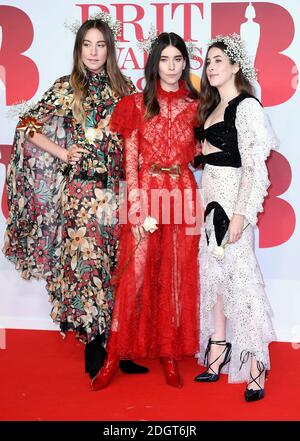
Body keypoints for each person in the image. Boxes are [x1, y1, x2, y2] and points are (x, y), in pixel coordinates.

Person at [3, 16, 148, 381]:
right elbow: (28, 126)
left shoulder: (124, 88)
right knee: (88, 266)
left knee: (119, 266)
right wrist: (62, 152)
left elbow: (137, 138)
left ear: (110, 50)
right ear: (78, 49)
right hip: (81, 193)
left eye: (101, 45)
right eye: (88, 45)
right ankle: (95, 343)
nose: (94, 52)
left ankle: (120, 345)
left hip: (116, 191)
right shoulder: (66, 88)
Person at [91, 32, 201, 391]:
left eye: (178, 59)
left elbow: (207, 153)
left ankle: (169, 354)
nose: (172, 67)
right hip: (146, 193)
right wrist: (135, 212)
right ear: (155, 64)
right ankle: (113, 355)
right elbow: (130, 160)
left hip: (183, 194)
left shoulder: (197, 106)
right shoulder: (135, 104)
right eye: (165, 59)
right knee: (133, 278)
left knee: (174, 274)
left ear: (186, 63)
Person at [192, 34, 278, 401]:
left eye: (218, 61)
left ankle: (255, 360)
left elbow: (255, 169)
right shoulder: (209, 107)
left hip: (233, 207)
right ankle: (218, 346)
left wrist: (242, 214)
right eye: (208, 62)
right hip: (209, 205)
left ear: (235, 66)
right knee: (212, 281)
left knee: (242, 285)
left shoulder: (247, 108)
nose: (211, 68)